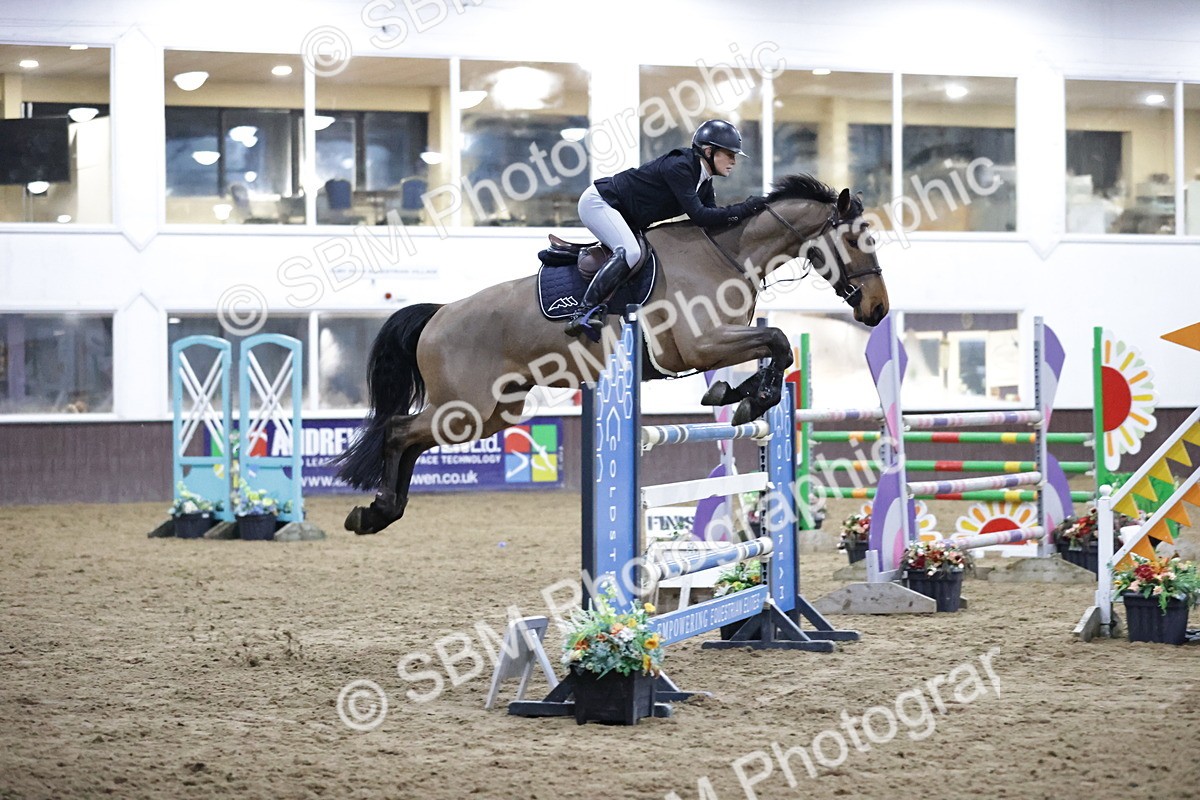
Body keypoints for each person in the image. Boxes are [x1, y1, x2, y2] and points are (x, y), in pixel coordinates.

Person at [565, 119, 768, 337]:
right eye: (729, 154)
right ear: (709, 151)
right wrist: (745, 208)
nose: (734, 161)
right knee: (631, 252)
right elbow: (700, 216)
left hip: (623, 214)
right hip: (600, 202)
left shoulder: (704, 182)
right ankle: (583, 312)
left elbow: (711, 223)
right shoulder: (680, 167)